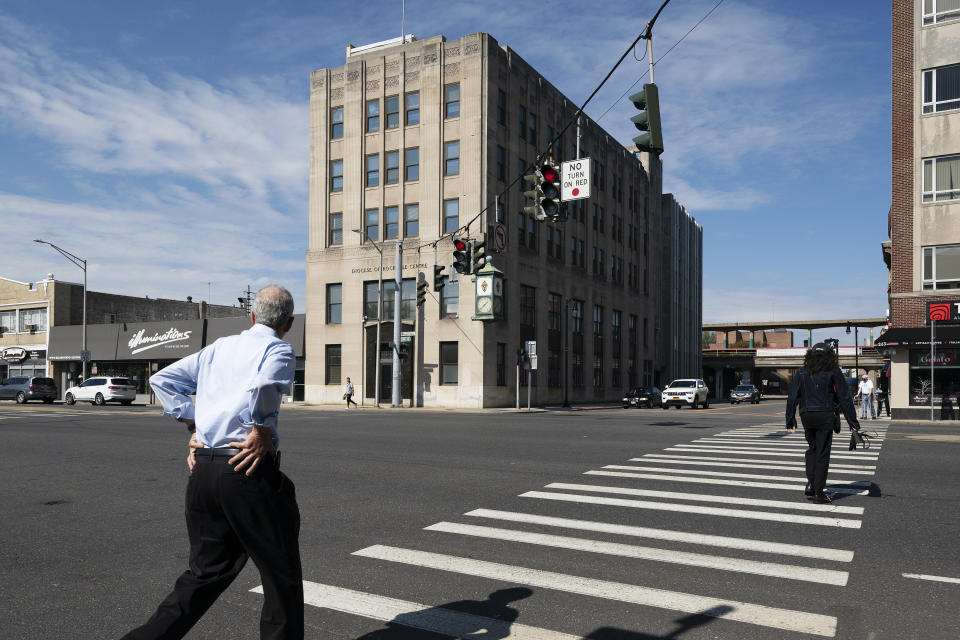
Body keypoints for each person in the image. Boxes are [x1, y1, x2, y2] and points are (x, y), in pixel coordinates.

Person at [122, 285, 303, 640]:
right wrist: (261, 426)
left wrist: (194, 421)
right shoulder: (278, 348)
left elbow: (162, 380)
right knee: (280, 576)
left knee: (205, 573)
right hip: (246, 469)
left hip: (203, 469)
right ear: (290, 322)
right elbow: (266, 385)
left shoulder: (217, 349)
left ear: (251, 316)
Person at [785, 342, 861, 504]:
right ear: (829, 356)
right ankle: (819, 493)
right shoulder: (833, 371)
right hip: (825, 415)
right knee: (822, 454)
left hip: (807, 416)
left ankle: (812, 483)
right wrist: (852, 422)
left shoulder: (802, 372)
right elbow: (844, 397)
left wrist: (790, 420)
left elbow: (793, 396)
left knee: (812, 449)